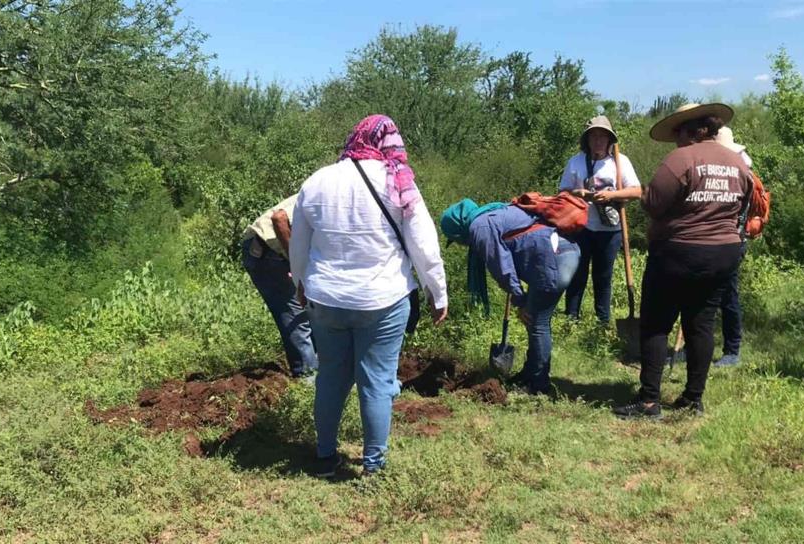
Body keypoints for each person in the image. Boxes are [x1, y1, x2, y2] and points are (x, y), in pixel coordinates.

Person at [289, 114, 448, 478]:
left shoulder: (316, 181)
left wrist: (300, 282)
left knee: (330, 376)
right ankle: (373, 468)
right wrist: (437, 292)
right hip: (383, 300)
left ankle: (325, 458)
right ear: (389, 143)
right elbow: (423, 245)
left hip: (325, 299)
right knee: (376, 381)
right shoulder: (398, 181)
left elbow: (299, 245)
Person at [613, 103, 752, 419]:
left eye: (678, 132)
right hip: (724, 253)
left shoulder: (682, 159)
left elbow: (654, 202)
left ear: (694, 129)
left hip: (679, 251)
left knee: (657, 323)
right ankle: (693, 398)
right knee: (701, 324)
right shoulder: (737, 163)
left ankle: (649, 401)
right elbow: (743, 201)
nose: (676, 139)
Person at [440, 199, 580, 395]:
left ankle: (538, 385)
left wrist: (520, 300)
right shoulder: (492, 214)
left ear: (458, 229)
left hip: (554, 258)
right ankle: (530, 373)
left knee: (537, 322)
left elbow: (502, 267)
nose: (462, 244)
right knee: (536, 320)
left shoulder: (480, 228)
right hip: (564, 251)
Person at [559, 115, 642, 324]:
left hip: (610, 230)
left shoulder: (620, 162)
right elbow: (563, 193)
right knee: (577, 274)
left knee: (603, 277)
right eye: (593, 136)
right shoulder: (576, 161)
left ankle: (602, 322)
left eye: (602, 136)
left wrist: (611, 196)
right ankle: (571, 319)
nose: (598, 140)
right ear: (587, 140)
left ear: (609, 139)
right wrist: (580, 194)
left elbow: (637, 191)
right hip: (581, 227)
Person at [241, 194, 318, 378]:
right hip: (265, 250)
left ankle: (324, 376)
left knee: (314, 311)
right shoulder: (322, 193)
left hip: (280, 250)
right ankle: (307, 380)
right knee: (298, 314)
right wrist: (297, 267)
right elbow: (279, 219)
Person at [712, 126, 754, 368]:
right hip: (709, 240)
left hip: (731, 241)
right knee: (699, 295)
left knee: (728, 295)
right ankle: (692, 345)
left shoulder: (742, 171)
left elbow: (739, 212)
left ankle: (732, 350)